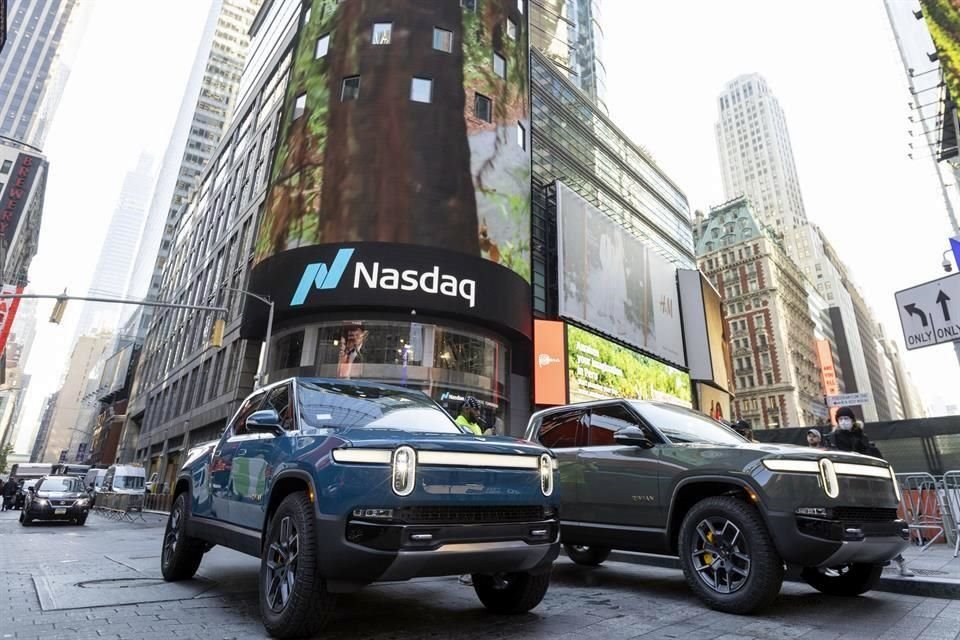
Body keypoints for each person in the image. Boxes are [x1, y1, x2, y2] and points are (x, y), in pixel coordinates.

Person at [823, 407, 913, 577]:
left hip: (868, 488)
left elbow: (877, 458)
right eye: (840, 419)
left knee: (883, 525)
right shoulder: (832, 439)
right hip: (845, 488)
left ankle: (900, 561)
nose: (843, 421)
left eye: (846, 418)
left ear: (852, 420)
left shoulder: (862, 438)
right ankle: (830, 564)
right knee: (846, 525)